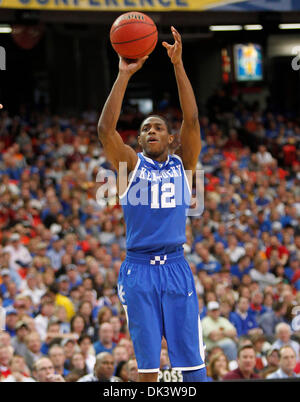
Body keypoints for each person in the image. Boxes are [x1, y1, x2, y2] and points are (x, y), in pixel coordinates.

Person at [98, 26, 205, 383]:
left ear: (170, 138)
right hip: (139, 269)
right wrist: (123, 75)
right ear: (139, 139)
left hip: (176, 265)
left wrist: (178, 65)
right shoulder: (130, 166)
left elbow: (191, 119)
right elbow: (105, 129)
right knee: (147, 369)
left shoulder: (183, 163)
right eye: (146, 129)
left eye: (159, 127)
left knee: (192, 367)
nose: (153, 131)